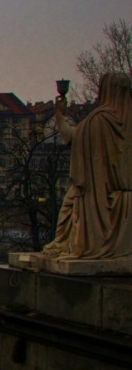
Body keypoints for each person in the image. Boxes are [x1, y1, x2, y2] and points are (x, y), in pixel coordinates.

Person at [43, 71, 132, 260]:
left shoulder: (98, 120)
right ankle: (61, 240)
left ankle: (62, 241)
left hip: (100, 193)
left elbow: (72, 138)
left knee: (71, 201)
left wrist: (59, 117)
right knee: (70, 200)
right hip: (126, 194)